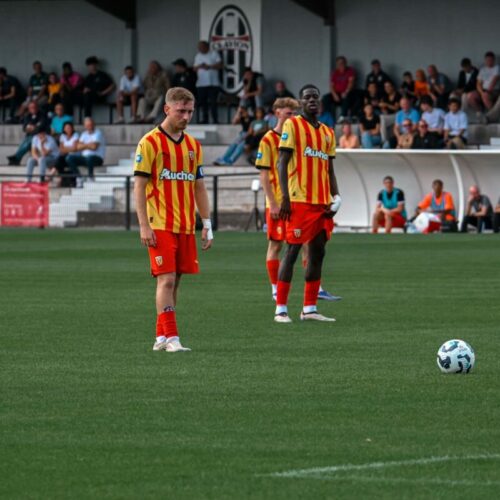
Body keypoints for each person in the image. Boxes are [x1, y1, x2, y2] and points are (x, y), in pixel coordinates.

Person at [133, 87, 213, 352]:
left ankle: (160, 337)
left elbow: (199, 187)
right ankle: (173, 338)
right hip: (159, 224)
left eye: (190, 111)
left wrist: (207, 223)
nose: (186, 116)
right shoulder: (150, 142)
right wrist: (143, 224)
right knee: (166, 280)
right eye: (181, 111)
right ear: (167, 109)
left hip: (185, 225)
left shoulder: (193, 146)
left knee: (175, 281)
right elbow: (139, 186)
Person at [255, 97, 341, 304]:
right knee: (276, 245)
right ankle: (276, 289)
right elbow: (265, 175)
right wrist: (273, 203)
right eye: (287, 113)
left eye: (294, 113)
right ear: (277, 113)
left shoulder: (300, 136)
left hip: (298, 201)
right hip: (278, 203)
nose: (291, 117)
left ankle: (315, 289)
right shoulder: (268, 139)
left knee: (308, 243)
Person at [274, 84, 341, 323]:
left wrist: (337, 196)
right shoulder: (293, 125)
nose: (312, 100)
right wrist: (285, 196)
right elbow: (282, 162)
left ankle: (309, 308)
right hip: (299, 200)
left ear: (319, 102)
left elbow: (329, 168)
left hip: (322, 203)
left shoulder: (328, 132)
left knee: (318, 253)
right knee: (291, 251)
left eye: (315, 96)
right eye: (307, 97)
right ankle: (281, 308)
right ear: (301, 103)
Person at [66, 117, 106, 186]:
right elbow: (78, 147)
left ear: (94, 124)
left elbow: (94, 147)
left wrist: (83, 145)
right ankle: (78, 177)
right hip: (84, 158)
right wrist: (88, 145)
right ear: (85, 126)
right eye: (87, 125)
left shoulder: (98, 133)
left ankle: (90, 177)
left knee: (90, 158)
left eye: (90, 125)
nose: (89, 127)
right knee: (69, 158)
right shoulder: (84, 134)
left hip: (97, 159)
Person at [7, 100, 46, 165]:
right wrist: (33, 127)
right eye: (31, 107)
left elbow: (40, 127)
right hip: (29, 136)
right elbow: (24, 128)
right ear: (29, 109)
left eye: (34, 107)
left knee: (30, 140)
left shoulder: (42, 115)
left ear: (37, 107)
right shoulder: (28, 116)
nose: (33, 109)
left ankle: (16, 158)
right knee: (25, 142)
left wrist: (32, 127)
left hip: (40, 136)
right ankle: (16, 158)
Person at [193, 41, 222, 124]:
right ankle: (205, 119)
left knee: (213, 103)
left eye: (202, 47)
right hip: (201, 84)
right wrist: (200, 66)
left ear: (207, 47)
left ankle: (215, 120)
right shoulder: (198, 56)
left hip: (213, 83)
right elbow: (194, 68)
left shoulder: (214, 54)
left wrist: (209, 66)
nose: (200, 49)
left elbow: (220, 65)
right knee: (203, 103)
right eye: (199, 47)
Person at [467, 51, 499, 121]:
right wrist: (481, 92)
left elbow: (494, 80)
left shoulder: (497, 68)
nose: (489, 61)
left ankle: (492, 117)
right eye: (487, 60)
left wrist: (486, 92)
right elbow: (478, 83)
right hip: (483, 90)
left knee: (485, 96)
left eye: (491, 60)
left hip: (494, 90)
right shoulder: (482, 70)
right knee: (470, 96)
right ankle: (480, 114)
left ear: (493, 60)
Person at [51, 121, 79, 187]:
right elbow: (61, 150)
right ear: (64, 129)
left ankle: (52, 173)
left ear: (72, 128)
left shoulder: (76, 135)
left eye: (69, 128)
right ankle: (61, 177)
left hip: (74, 156)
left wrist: (65, 148)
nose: (68, 129)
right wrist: (69, 148)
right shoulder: (62, 136)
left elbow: (75, 148)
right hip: (65, 156)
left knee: (61, 158)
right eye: (66, 128)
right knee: (60, 158)